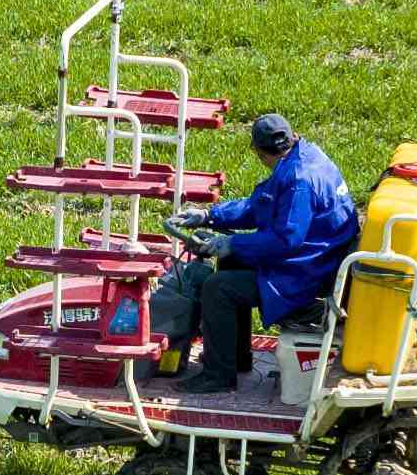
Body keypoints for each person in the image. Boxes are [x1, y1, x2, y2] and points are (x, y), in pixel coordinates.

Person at [152, 113, 358, 394]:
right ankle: (235, 359)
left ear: (260, 153)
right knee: (230, 260)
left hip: (308, 276)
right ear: (292, 135)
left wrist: (233, 243)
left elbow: (287, 240)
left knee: (217, 288)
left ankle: (218, 376)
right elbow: (262, 205)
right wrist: (209, 216)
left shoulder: (298, 180)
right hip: (319, 258)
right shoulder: (307, 157)